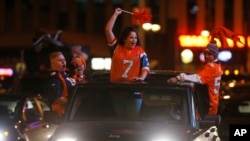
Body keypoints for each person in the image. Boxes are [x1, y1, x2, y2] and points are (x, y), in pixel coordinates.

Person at [167, 42, 223, 115]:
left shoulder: (211, 67)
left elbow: (197, 78)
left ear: (215, 56)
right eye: (205, 54)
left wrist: (178, 77)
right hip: (212, 105)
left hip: (207, 107)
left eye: (209, 54)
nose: (206, 56)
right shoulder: (218, 66)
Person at [105, 8, 150, 82]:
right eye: (131, 38)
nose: (134, 40)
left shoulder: (140, 51)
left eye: (135, 38)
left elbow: (145, 67)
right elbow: (108, 30)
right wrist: (115, 14)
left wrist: (141, 78)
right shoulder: (116, 47)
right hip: (115, 88)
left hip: (132, 88)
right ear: (125, 39)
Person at [47, 51, 76, 116]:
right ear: (53, 64)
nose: (63, 62)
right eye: (60, 60)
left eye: (64, 60)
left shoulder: (67, 75)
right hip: (63, 115)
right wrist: (74, 103)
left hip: (73, 113)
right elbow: (59, 99)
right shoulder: (54, 79)